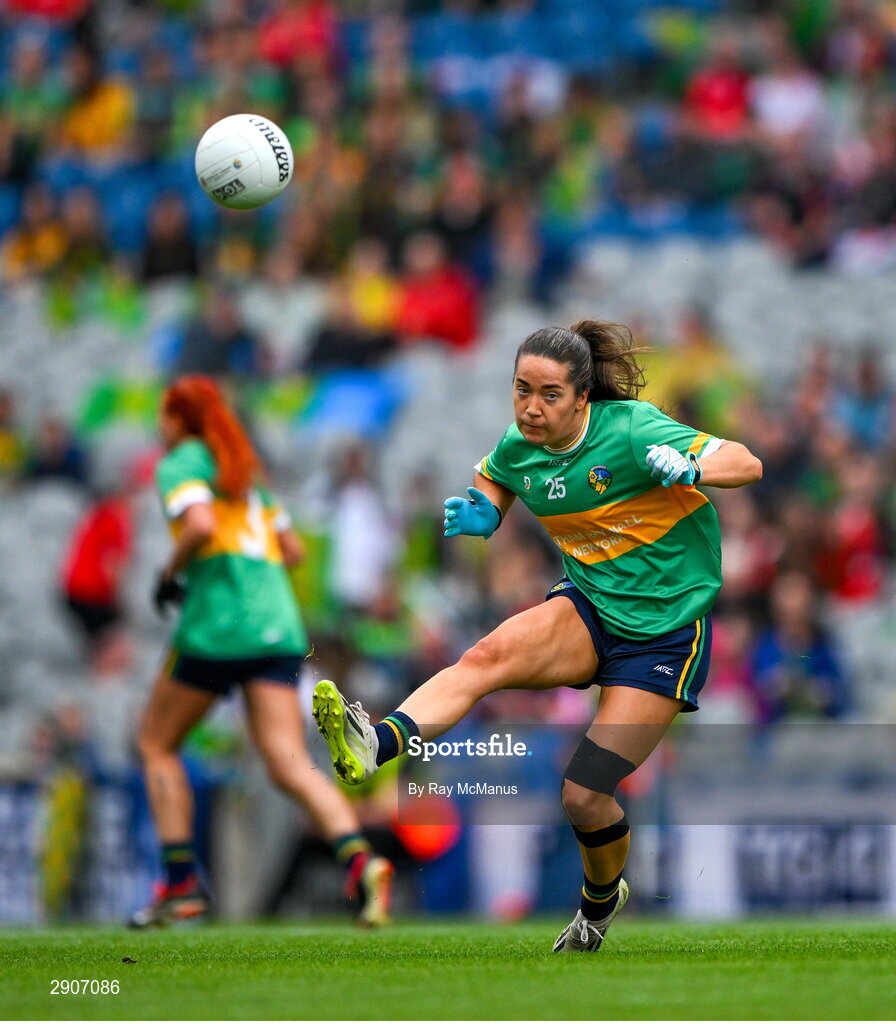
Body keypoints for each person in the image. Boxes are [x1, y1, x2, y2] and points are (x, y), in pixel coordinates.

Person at [311, 320, 761, 952]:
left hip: (665, 635)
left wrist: (689, 463)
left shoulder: (631, 428)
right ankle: (375, 744)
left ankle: (598, 907)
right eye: (521, 389)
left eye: (549, 394)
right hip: (592, 607)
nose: (531, 406)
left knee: (583, 795)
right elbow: (498, 471)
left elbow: (747, 462)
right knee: (486, 656)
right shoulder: (519, 442)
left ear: (582, 399)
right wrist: (487, 510)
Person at [131, 375, 393, 928]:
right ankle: (362, 860)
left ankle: (180, 885)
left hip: (220, 625)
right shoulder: (245, 473)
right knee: (287, 762)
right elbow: (292, 550)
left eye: (163, 414)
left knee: (156, 743)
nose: (159, 425)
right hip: (277, 625)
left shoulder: (182, 462)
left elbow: (199, 524)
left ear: (179, 420)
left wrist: (168, 573)